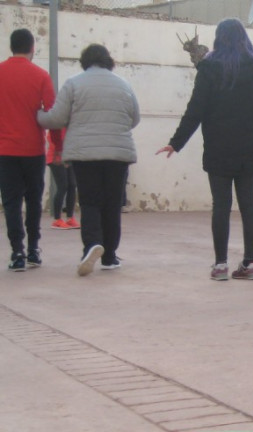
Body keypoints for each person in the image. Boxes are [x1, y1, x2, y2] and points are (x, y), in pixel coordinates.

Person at [158, 18, 253, 281]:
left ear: (218, 38)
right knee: (247, 204)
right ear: (244, 38)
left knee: (220, 205)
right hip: (249, 148)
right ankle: (251, 263)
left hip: (218, 147)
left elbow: (195, 109)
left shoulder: (209, 68)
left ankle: (220, 265)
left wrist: (176, 142)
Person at [38, 43, 139, 276]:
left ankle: (92, 244)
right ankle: (110, 256)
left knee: (90, 201)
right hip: (118, 154)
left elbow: (57, 117)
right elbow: (134, 118)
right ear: (108, 60)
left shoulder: (74, 83)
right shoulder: (124, 85)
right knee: (113, 204)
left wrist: (38, 116)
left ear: (84, 61)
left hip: (85, 154)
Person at [0, 29, 61, 272]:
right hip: (33, 150)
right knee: (34, 200)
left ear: (11, 47)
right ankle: (34, 249)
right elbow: (52, 114)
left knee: (11, 201)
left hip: (5, 151)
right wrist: (57, 146)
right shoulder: (41, 76)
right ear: (32, 48)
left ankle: (17, 252)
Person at [46, 128, 79, 230]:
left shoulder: (69, 123)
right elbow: (52, 137)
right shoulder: (58, 123)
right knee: (62, 186)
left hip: (68, 157)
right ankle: (57, 219)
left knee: (72, 185)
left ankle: (70, 217)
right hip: (56, 157)